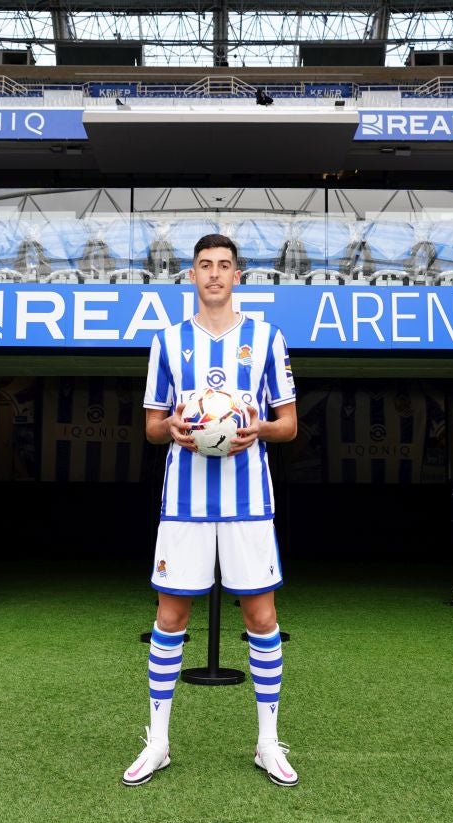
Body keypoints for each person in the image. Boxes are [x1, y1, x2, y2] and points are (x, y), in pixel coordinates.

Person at [123, 233, 299, 788]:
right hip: (185, 503)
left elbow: (289, 425)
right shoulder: (168, 342)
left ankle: (267, 744)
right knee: (170, 619)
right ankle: (158, 743)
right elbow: (153, 426)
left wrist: (258, 429)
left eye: (224, 265)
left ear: (237, 276)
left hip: (249, 503)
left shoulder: (267, 338)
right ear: (193, 276)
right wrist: (173, 428)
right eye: (205, 265)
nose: (215, 274)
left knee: (262, 619)